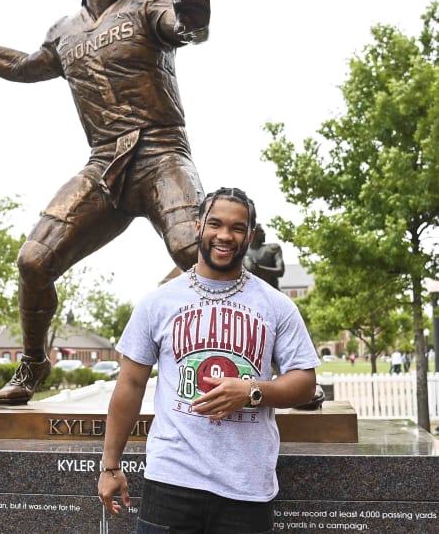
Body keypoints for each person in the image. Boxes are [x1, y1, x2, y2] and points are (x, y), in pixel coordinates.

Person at [0, 0, 214, 404]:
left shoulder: (148, 3)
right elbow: (20, 65)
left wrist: (195, 23)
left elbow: (179, 26)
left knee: (193, 248)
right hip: (106, 162)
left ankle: (285, 362)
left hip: (162, 152)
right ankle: (34, 363)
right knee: (33, 261)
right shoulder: (64, 32)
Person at [98, 187, 320, 533]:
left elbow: (305, 383)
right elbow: (130, 384)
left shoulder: (276, 306)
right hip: (171, 480)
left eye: (237, 228)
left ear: (249, 235)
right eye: (215, 224)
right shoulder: (159, 303)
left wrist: (251, 392)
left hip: (246, 486)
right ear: (198, 226)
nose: (225, 236)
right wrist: (110, 466)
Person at [243, 223, 285, 289]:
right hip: (250, 292)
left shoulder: (273, 249)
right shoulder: (243, 252)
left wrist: (259, 269)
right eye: (261, 232)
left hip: (271, 292)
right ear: (253, 234)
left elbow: (280, 271)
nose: (264, 234)